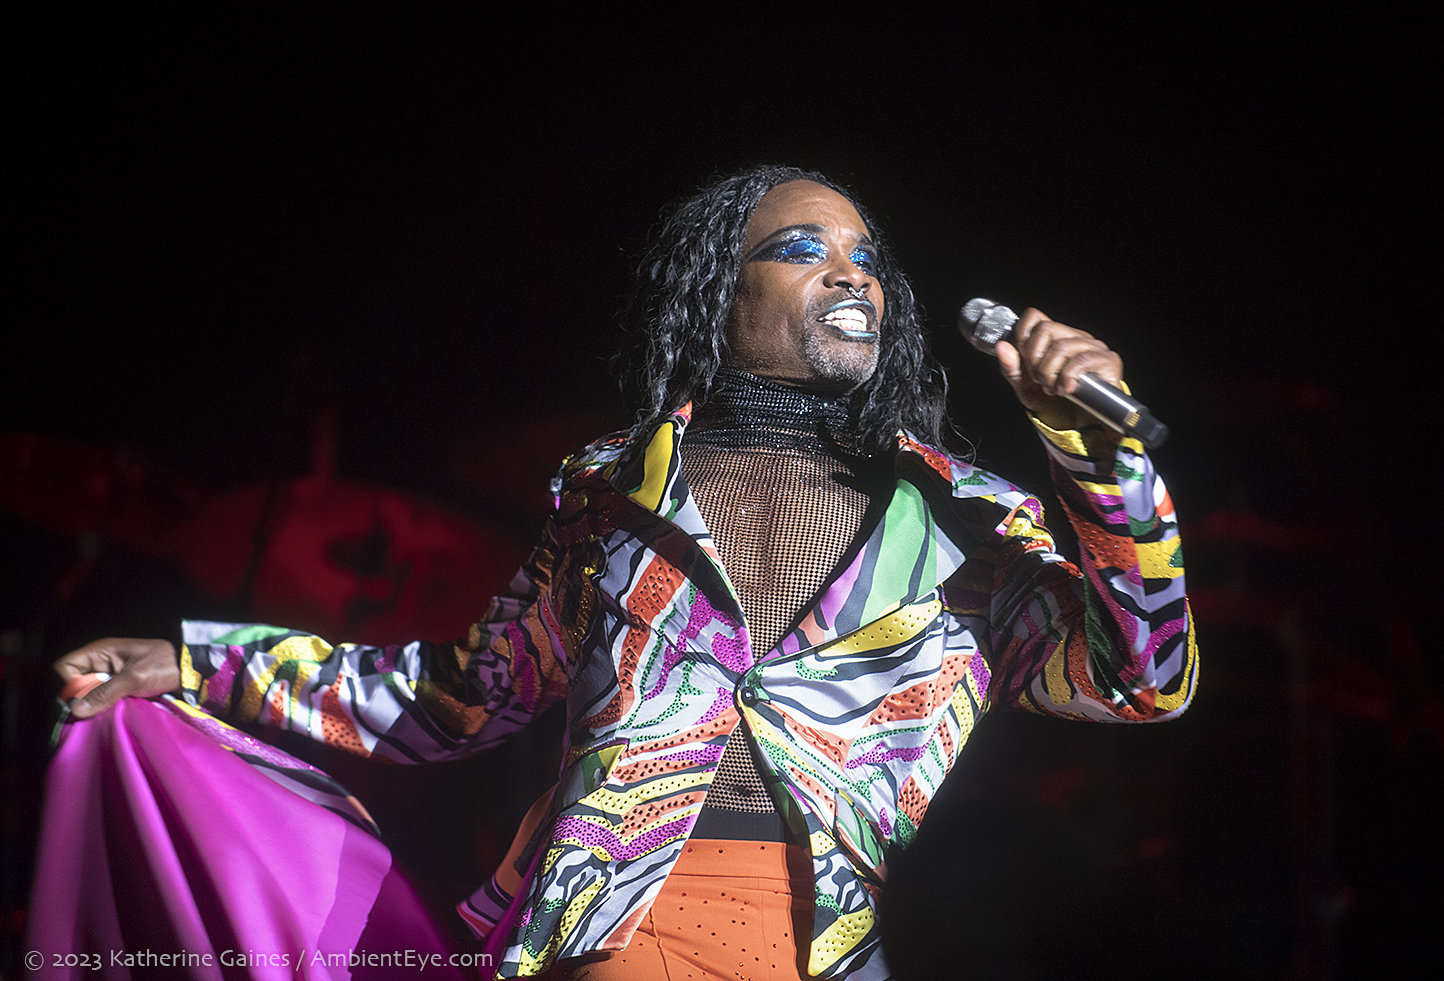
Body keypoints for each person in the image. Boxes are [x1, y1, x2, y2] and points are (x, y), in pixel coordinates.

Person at [53, 165, 1196, 980]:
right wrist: (197, 660)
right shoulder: (615, 499)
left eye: (867, 257)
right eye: (802, 248)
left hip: (831, 945)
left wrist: (1104, 456)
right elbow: (459, 697)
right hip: (608, 936)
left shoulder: (971, 529)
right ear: (720, 292)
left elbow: (1144, 675)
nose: (851, 273)